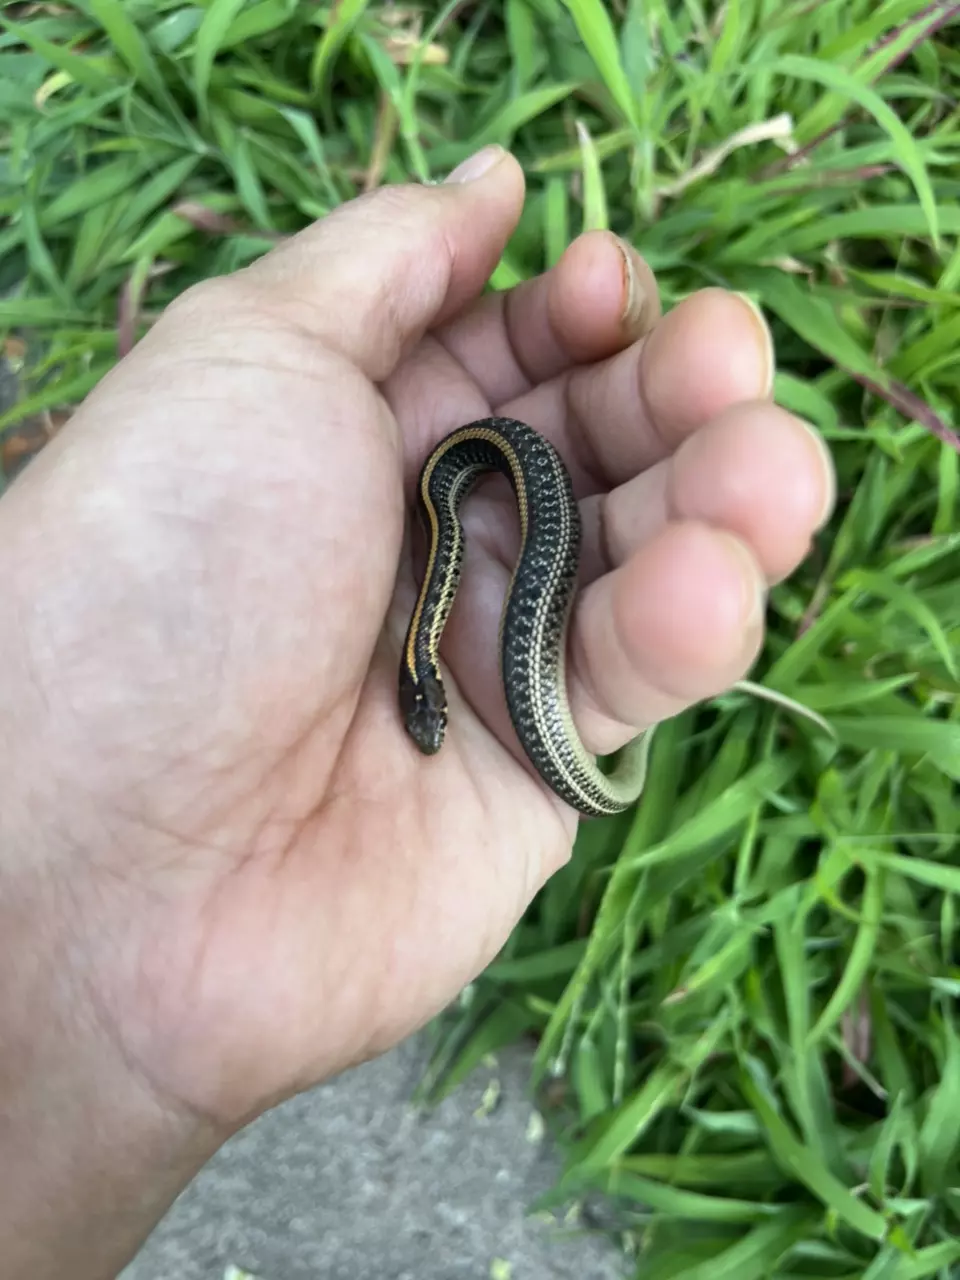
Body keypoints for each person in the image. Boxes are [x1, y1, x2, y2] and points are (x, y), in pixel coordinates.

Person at [0, 145, 834, 1277]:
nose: (427, 718)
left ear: (422, 673)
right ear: (423, 675)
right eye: (427, 705)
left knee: (586, 575)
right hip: (479, 485)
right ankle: (595, 762)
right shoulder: (432, 568)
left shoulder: (451, 551)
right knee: (573, 595)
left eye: (425, 703)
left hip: (497, 472)